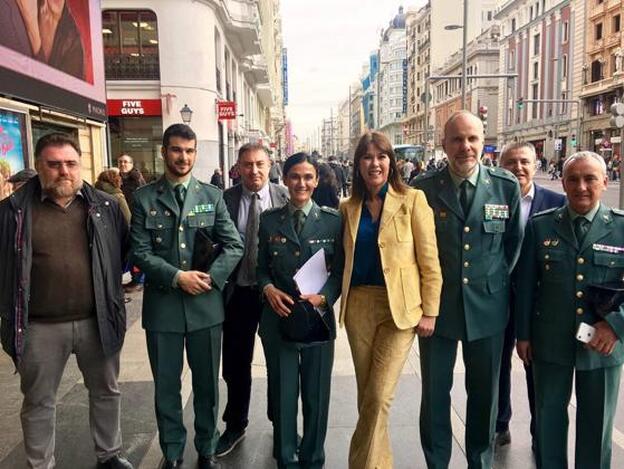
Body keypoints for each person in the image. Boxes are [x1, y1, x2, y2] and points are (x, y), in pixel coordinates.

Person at [0, 133, 132, 469]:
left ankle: (109, 455)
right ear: (39, 167)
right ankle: (40, 463)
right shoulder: (12, 211)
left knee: (106, 392)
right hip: (39, 326)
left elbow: (123, 252)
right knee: (39, 400)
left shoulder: (105, 206)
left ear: (80, 165)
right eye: (54, 164)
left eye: (71, 163)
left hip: (97, 320)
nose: (64, 171)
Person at [413, 110, 522, 469]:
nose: (466, 147)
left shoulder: (505, 186)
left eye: (473, 138)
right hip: (438, 311)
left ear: (483, 141)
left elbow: (513, 246)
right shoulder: (424, 189)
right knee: (434, 395)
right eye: (457, 139)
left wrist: (490, 284)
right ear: (444, 144)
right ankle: (437, 461)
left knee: (484, 396)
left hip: (488, 310)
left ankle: (480, 460)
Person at [130, 124, 243, 469]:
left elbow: (234, 244)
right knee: (166, 387)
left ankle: (206, 449)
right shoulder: (144, 198)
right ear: (164, 152)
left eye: (190, 151)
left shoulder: (212, 196)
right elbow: (139, 251)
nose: (184, 157)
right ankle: (173, 451)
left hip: (205, 308)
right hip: (163, 309)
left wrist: (210, 279)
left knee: (207, 386)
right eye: (177, 150)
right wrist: (178, 277)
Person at [516, 151, 624, 469]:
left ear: (605, 182)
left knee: (596, 427)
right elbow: (525, 286)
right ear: (562, 183)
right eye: (573, 179)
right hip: (550, 341)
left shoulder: (620, 228)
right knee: (548, 421)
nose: (581, 187)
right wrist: (523, 334)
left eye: (590, 178)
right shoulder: (541, 226)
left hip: (604, 345)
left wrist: (615, 325)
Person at [341, 131, 442, 469]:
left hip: (399, 310)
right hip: (358, 307)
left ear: (391, 162)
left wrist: (431, 310)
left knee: (380, 396)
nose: (375, 163)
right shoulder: (347, 207)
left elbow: (430, 261)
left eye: (381, 156)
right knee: (367, 396)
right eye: (367, 157)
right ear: (357, 165)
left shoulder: (412, 200)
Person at [257, 152, 344, 469]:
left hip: (317, 320)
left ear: (317, 180)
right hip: (277, 319)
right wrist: (267, 289)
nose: (301, 183)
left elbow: (340, 273)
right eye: (295, 176)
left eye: (308, 177)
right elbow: (260, 269)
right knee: (282, 393)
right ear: (285, 179)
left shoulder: (333, 221)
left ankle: (313, 458)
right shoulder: (269, 220)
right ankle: (286, 457)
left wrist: (324, 297)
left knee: (316, 395)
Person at [216, 143, 289, 457]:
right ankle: (235, 423)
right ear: (238, 167)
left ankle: (281, 423)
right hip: (238, 294)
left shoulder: (285, 196)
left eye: (260, 164)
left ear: (270, 164)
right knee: (235, 364)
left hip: (275, 294)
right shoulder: (225, 199)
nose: (254, 171)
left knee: (279, 363)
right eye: (247, 165)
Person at [495, 142, 565, 451]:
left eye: (524, 162)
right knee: (497, 365)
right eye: (511, 163)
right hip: (497, 299)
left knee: (536, 365)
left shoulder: (558, 202)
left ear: (535, 166)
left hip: (538, 302)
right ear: (500, 167)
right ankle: (500, 424)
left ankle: (541, 432)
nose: (518, 168)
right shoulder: (491, 199)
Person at [118, 154, 146, 292]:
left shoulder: (135, 179)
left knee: (137, 250)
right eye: (120, 162)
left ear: (131, 164)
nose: (123, 164)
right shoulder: (118, 178)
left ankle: (139, 280)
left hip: (136, 220)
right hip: (123, 220)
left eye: (126, 162)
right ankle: (136, 279)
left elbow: (142, 200)